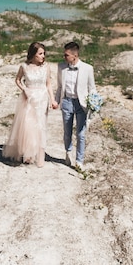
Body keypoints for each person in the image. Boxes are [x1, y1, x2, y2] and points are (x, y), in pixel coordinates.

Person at [3, 42, 58, 167]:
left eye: (44, 53)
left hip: (42, 98)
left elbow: (48, 84)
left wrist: (52, 99)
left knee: (41, 125)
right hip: (29, 98)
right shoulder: (24, 66)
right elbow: (17, 80)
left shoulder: (46, 67)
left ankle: (40, 156)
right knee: (28, 125)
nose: (43, 56)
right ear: (33, 54)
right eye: (40, 53)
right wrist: (24, 89)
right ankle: (28, 153)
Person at [55, 41, 96, 171]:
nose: (64, 57)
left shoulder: (88, 68)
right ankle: (68, 152)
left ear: (75, 55)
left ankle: (79, 161)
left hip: (81, 103)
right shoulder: (61, 67)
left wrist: (94, 101)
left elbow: (92, 88)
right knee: (67, 132)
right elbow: (60, 86)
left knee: (81, 134)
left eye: (66, 55)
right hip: (67, 101)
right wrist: (56, 101)